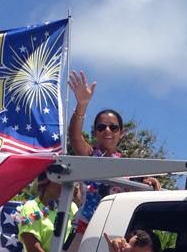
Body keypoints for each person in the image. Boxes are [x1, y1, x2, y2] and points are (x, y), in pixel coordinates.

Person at [67, 71, 160, 233]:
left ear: (121, 133)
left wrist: (149, 182)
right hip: (85, 230)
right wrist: (82, 104)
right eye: (101, 127)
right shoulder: (91, 155)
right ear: (95, 132)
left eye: (113, 127)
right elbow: (74, 137)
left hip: (117, 232)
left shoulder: (128, 167)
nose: (107, 130)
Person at [17, 171, 77, 252]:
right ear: (46, 183)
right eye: (60, 180)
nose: (66, 185)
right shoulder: (31, 207)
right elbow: (34, 249)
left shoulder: (71, 207)